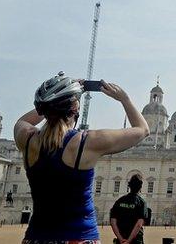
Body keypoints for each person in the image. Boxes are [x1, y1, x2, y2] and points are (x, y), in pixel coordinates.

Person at [15, 73, 150, 244]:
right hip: (79, 237)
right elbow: (142, 129)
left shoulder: (26, 139)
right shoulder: (85, 142)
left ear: (44, 109)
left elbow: (22, 121)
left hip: (36, 238)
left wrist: (56, 99)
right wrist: (124, 99)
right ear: (75, 109)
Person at [111, 174, 151, 244]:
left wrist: (120, 239)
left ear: (129, 186)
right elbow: (139, 224)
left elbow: (113, 222)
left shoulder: (119, 201)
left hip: (121, 239)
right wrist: (128, 241)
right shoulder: (141, 202)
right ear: (140, 187)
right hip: (136, 240)